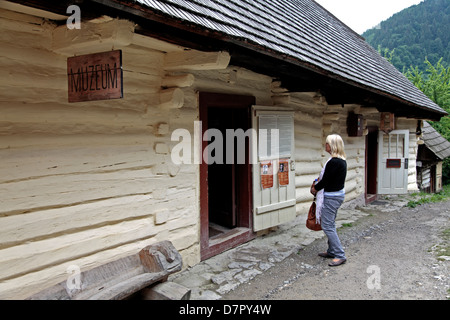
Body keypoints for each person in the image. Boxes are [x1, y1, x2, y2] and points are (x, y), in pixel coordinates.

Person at [310, 134, 347, 267]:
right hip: (336, 195)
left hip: (332, 196)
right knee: (330, 223)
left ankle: (339, 254)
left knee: (327, 226)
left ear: (332, 145)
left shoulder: (334, 162)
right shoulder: (340, 160)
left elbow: (326, 181)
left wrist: (315, 188)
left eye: (327, 143)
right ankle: (331, 250)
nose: (325, 145)